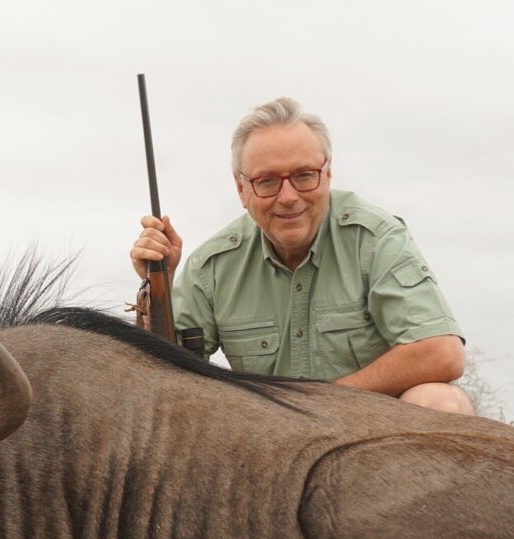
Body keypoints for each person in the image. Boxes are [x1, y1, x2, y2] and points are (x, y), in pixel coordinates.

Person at [129, 97, 474, 415]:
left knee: (441, 402)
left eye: (304, 176)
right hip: (268, 446)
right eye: (267, 182)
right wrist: (158, 285)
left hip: (370, 438)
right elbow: (168, 377)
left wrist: (312, 405)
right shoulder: (211, 266)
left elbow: (441, 352)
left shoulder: (376, 239)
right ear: (241, 189)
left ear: (327, 173)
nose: (289, 197)